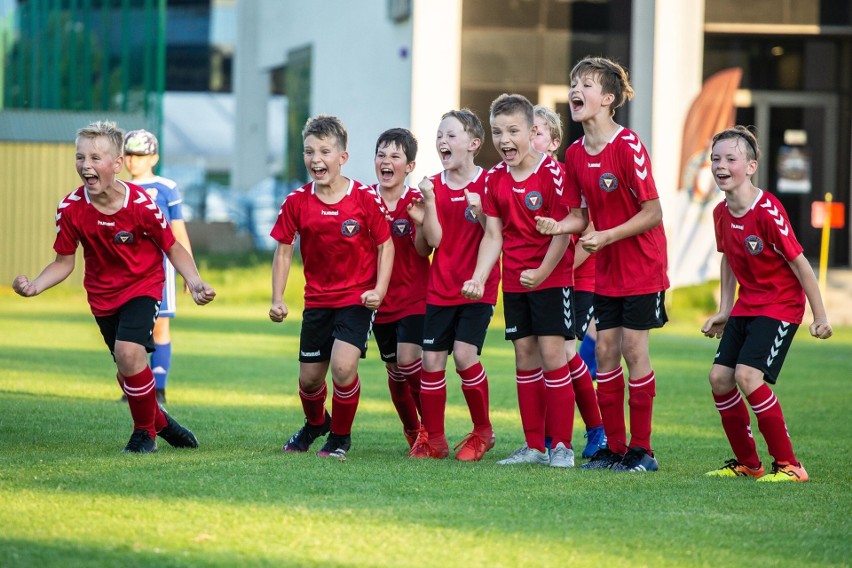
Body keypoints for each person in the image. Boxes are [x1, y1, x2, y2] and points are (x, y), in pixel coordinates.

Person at [12, 120, 215, 453]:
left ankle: (143, 435)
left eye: (95, 158)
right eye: (80, 158)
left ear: (116, 164)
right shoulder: (71, 209)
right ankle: (163, 423)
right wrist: (35, 285)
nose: (85, 165)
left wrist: (194, 281)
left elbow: (173, 246)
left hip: (144, 286)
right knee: (126, 369)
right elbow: (64, 262)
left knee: (128, 353)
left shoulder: (141, 204)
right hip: (103, 296)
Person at [536, 56, 669, 472]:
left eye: (587, 84)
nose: (576, 90)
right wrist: (556, 224)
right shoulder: (574, 153)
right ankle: (613, 448)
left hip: (643, 265)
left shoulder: (627, 145)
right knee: (606, 352)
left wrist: (606, 236)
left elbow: (653, 212)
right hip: (607, 269)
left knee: (633, 349)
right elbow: (579, 214)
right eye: (574, 82)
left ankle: (642, 452)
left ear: (608, 99)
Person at [462, 94, 589, 468]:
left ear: (533, 131)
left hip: (551, 279)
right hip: (516, 282)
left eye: (513, 131)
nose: (504, 140)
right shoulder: (494, 180)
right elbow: (493, 236)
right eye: (498, 132)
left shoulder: (553, 173)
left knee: (553, 357)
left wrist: (542, 273)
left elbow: (565, 232)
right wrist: (478, 277)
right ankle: (534, 446)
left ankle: (562, 447)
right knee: (524, 358)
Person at [701, 126, 832, 482]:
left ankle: (790, 466)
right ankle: (749, 464)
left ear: (752, 166)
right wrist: (725, 308)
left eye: (730, 158)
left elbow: (800, 263)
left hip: (780, 305)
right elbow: (728, 257)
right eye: (715, 159)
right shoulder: (720, 213)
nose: (720, 165)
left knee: (747, 375)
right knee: (719, 378)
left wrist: (819, 316)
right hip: (748, 305)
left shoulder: (768, 211)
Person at [270, 114, 394, 461]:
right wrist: (277, 299)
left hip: (357, 299)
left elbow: (387, 245)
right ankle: (315, 424)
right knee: (310, 381)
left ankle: (340, 437)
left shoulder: (365, 199)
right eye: (309, 152)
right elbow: (283, 250)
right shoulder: (296, 201)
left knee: (342, 368)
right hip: (317, 301)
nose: (316, 159)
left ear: (343, 157)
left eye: (325, 151)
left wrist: (379, 291)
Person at [408, 108, 500, 461]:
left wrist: (480, 211)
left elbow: (497, 236)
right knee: (430, 361)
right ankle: (435, 440)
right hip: (440, 287)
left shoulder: (490, 184)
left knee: (463, 355)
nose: (442, 141)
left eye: (451, 135)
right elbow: (427, 245)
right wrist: (427, 208)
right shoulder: (431, 186)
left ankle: (483, 431)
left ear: (474, 144)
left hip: (478, 287)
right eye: (439, 135)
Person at [532, 104, 607, 460]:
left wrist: (551, 271)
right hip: (540, 282)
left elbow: (587, 232)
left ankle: (596, 429)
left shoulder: (565, 175)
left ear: (554, 141)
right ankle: (548, 437)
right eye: (524, 130)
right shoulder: (517, 178)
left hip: (576, 278)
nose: (530, 138)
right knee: (544, 355)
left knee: (564, 352)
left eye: (538, 132)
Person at [121, 128, 194, 404]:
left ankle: (159, 388)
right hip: (127, 269)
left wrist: (191, 272)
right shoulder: (120, 188)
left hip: (160, 267)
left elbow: (178, 232)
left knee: (160, 328)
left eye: (140, 154)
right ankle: (133, 388)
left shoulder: (166, 188)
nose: (133, 160)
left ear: (154, 157)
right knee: (129, 331)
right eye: (129, 154)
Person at [370, 127, 431, 450]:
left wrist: (421, 221)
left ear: (409, 166)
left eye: (395, 156)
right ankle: (412, 430)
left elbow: (426, 249)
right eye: (381, 155)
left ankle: (431, 431)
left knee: (409, 362)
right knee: (394, 369)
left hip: (415, 297)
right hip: (379, 301)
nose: (386, 161)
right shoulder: (363, 200)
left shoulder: (417, 202)